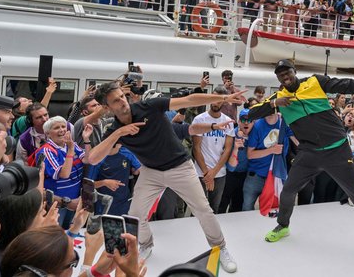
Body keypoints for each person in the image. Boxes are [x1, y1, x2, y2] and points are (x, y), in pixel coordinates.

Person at [247, 59, 354, 266]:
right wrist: (273, 104)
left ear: (294, 71)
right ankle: (283, 225)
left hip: (338, 151)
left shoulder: (314, 82)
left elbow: (348, 84)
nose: (285, 77)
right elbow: (250, 114)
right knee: (288, 191)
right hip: (309, 154)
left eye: (287, 72)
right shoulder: (278, 97)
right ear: (278, 79)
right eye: (280, 75)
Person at [89, 82, 247, 273]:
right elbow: (93, 158)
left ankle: (220, 247)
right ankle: (146, 244)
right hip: (151, 172)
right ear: (107, 108)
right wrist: (120, 132)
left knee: (203, 210)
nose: (123, 101)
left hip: (179, 167)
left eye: (122, 96)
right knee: (135, 215)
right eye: (116, 100)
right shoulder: (115, 128)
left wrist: (223, 98)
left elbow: (188, 100)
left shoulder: (149, 106)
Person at [37, 116, 93, 228]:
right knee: (55, 235)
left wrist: (86, 139)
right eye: (56, 128)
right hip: (57, 204)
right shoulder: (46, 150)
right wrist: (71, 150)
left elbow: (88, 159)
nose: (62, 130)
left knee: (72, 232)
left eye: (63, 126)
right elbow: (64, 174)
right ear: (48, 134)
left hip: (76, 201)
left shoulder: (71, 144)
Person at [191, 86, 236, 214]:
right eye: (214, 99)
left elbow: (227, 149)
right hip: (201, 172)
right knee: (199, 209)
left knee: (214, 208)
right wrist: (207, 173)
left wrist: (213, 173)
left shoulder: (228, 121)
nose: (215, 103)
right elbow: (196, 148)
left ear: (224, 101)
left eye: (219, 100)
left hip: (219, 173)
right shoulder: (200, 119)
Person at [242, 112, 293, 211]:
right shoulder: (257, 126)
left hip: (277, 175)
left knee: (275, 209)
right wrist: (272, 150)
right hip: (256, 176)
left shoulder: (283, 123)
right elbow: (250, 154)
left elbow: (297, 141)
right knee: (247, 208)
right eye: (266, 110)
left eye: (271, 110)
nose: (269, 113)